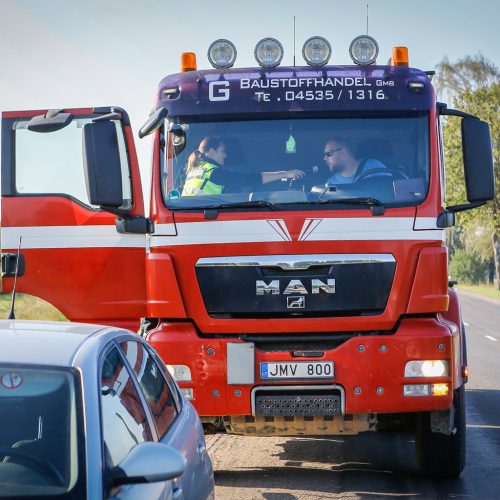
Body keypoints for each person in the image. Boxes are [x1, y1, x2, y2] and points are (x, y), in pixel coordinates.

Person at [182, 136, 305, 196]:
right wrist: (285, 174)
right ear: (212, 151)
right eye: (222, 151)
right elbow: (250, 179)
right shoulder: (214, 173)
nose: (225, 155)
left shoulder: (194, 170)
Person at [323, 137, 387, 186]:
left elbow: (391, 190)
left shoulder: (374, 166)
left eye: (328, 153)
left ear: (343, 152)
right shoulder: (331, 183)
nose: (325, 158)